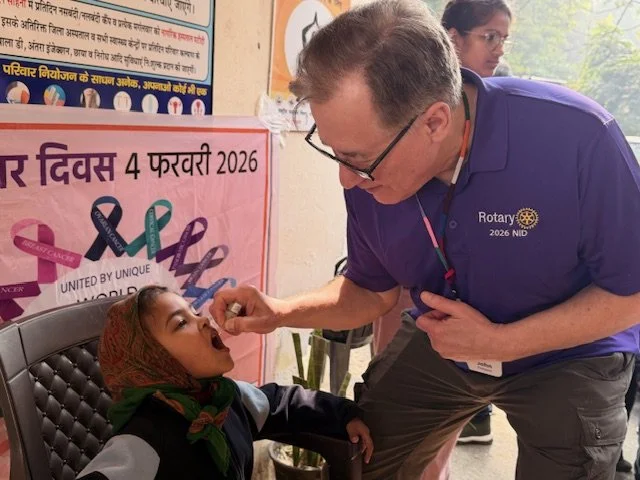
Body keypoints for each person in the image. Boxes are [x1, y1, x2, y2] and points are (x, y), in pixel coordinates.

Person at [212, 1, 640, 478]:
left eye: (357, 159)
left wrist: (503, 341)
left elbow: (632, 293)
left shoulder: (575, 135)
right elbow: (371, 291)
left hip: (568, 353)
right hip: (443, 338)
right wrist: (280, 312)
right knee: (362, 450)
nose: (346, 181)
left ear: (435, 122)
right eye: (334, 153)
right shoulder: (367, 171)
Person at [76, 286, 373, 480]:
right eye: (181, 323)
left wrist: (343, 415)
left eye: (194, 313)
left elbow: (282, 403)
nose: (203, 320)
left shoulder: (225, 398)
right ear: (153, 363)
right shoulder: (143, 442)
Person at [442, 0, 513, 446]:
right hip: (424, 270)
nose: (499, 49)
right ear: (454, 38)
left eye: (504, 39)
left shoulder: (506, 100)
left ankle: (477, 416)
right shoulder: (420, 101)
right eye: (489, 36)